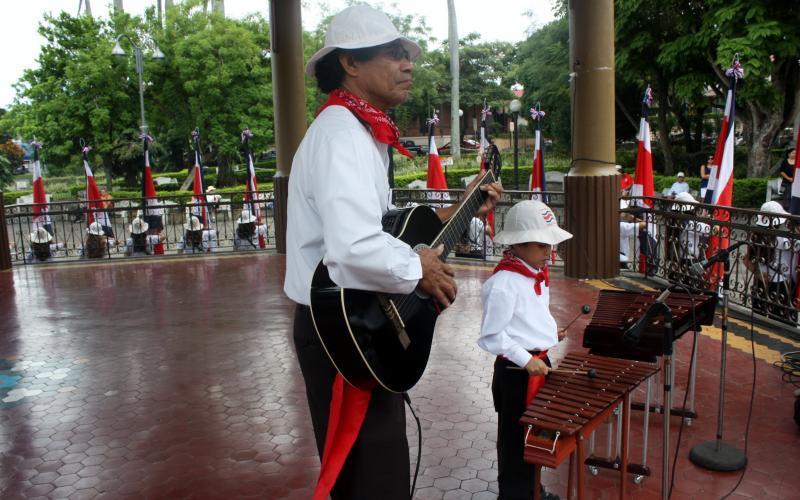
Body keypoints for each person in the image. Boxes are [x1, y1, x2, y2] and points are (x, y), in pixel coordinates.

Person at [283, 6, 502, 499]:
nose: (408, 64)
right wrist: (417, 268)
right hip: (341, 328)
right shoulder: (342, 137)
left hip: (358, 323)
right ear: (350, 64)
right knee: (371, 479)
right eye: (394, 53)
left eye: (407, 56)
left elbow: (382, 231)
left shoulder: (360, 132)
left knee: (370, 471)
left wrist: (459, 212)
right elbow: (353, 249)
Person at [478, 199, 571, 500]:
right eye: (542, 245)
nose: (549, 252)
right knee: (515, 441)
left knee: (536, 437)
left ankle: (532, 490)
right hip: (516, 372)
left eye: (549, 245)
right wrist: (525, 357)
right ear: (518, 244)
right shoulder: (504, 283)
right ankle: (514, 495)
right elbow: (491, 336)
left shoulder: (535, 272)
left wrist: (547, 334)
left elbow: (528, 319)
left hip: (538, 363)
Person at [744, 201, 797, 322]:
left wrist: (758, 274)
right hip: (782, 286)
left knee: (758, 321)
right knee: (783, 325)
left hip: (760, 282)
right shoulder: (787, 240)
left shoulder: (755, 235)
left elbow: (745, 259)